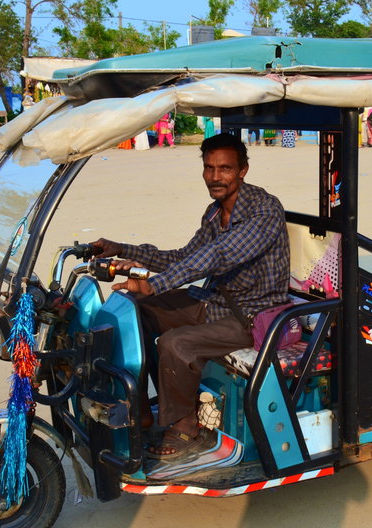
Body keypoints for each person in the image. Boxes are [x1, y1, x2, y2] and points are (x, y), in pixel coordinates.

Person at [92, 132, 290, 459]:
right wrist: (122, 250)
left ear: (243, 170)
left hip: (251, 317)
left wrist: (158, 283)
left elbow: (219, 255)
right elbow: (185, 257)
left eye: (225, 168)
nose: (215, 177)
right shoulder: (214, 213)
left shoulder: (264, 210)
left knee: (175, 343)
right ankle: (139, 406)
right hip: (214, 303)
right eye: (209, 168)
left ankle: (186, 427)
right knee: (134, 310)